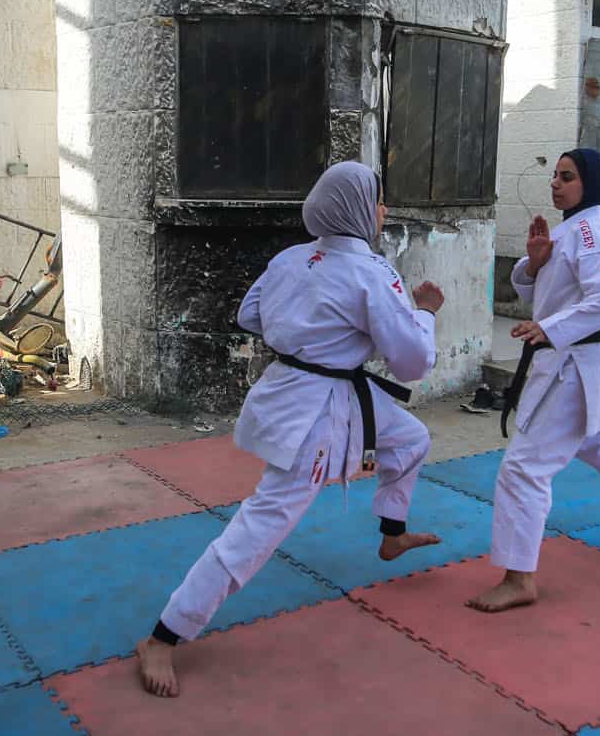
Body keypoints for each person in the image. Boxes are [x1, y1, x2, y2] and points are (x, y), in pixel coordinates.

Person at [138, 161, 446, 696]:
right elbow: (413, 362)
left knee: (411, 439)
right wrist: (424, 312)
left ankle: (393, 533)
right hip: (317, 411)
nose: (383, 210)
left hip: (296, 387)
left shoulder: (290, 258)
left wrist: (311, 332)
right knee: (261, 524)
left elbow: (250, 315)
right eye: (378, 200)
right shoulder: (373, 273)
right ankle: (164, 637)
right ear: (357, 209)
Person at [467, 149, 600, 614]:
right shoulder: (572, 231)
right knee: (587, 432)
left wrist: (550, 328)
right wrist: (535, 263)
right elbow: (544, 288)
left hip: (575, 362)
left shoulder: (590, 235)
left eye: (567, 177)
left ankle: (519, 578)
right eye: (556, 176)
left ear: (590, 184)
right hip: (580, 358)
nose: (556, 184)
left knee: (523, 467)